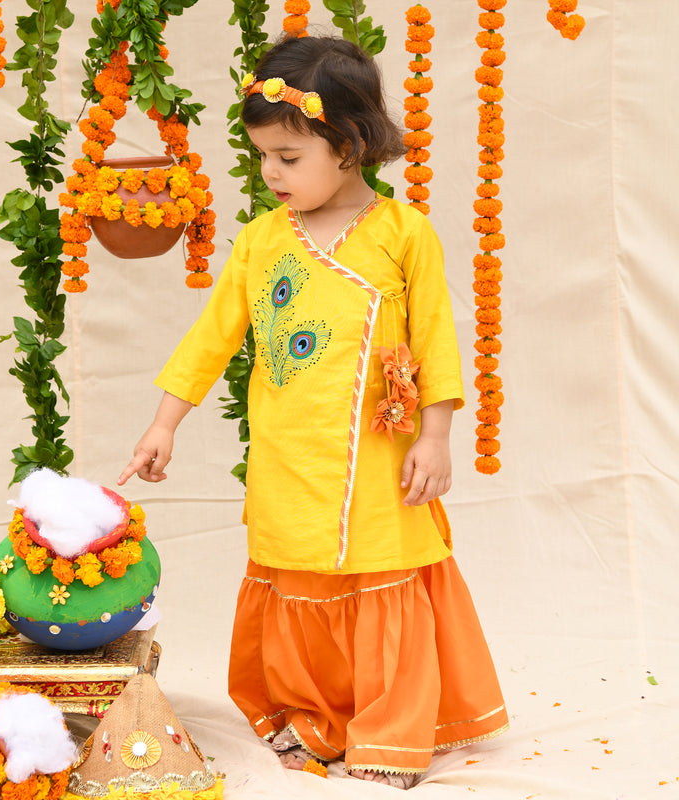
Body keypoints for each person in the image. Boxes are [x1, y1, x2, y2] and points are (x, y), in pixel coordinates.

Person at [118, 35, 508, 790]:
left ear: (350, 147)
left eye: (289, 157)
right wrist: (164, 423)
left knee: (382, 577)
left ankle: (390, 735)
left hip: (379, 460)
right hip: (287, 456)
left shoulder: (403, 233)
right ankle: (313, 716)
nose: (270, 173)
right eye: (263, 156)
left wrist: (435, 436)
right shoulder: (262, 242)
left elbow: (436, 339)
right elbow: (210, 339)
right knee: (298, 578)